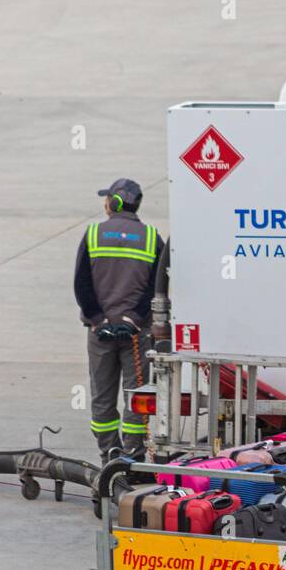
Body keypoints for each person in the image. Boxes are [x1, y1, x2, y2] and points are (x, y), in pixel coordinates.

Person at [73, 178, 166, 463]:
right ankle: (133, 456)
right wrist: (133, 319)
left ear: (113, 203)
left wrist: (99, 320)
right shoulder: (152, 237)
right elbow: (156, 288)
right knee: (136, 396)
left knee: (102, 396)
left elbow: (82, 283)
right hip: (136, 334)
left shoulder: (93, 234)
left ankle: (109, 455)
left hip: (99, 333)